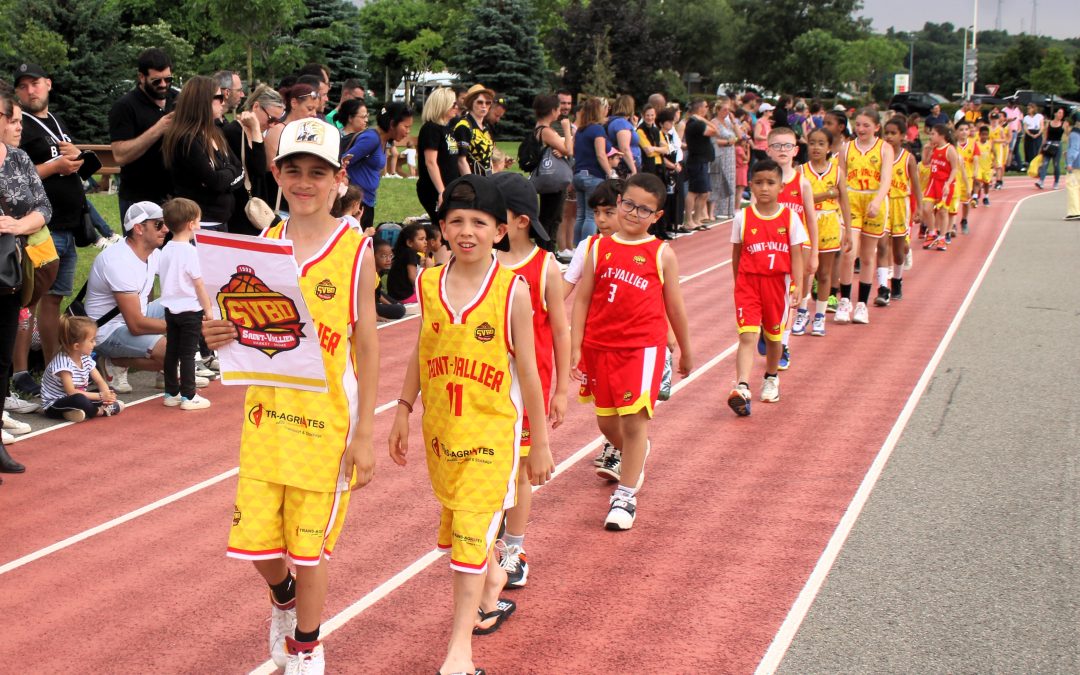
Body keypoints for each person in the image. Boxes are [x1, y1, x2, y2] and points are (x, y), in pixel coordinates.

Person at [202, 116, 378, 674]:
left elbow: (368, 346)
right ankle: (282, 596)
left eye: (317, 172)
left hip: (326, 423)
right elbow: (241, 327)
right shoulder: (262, 246)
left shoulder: (356, 250)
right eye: (294, 169)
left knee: (309, 548)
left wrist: (366, 434)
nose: (305, 182)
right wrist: (217, 331)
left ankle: (307, 645)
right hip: (266, 415)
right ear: (276, 173)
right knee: (257, 544)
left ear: (338, 178)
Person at [388, 174, 554, 675]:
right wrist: (402, 407)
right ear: (441, 228)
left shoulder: (512, 293)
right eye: (456, 221)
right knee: (461, 530)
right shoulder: (428, 284)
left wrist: (540, 442)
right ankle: (493, 581)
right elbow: (423, 347)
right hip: (441, 435)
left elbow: (528, 370)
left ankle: (458, 653)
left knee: (468, 539)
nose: (467, 231)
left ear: (499, 231)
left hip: (491, 437)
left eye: (479, 223)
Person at [570, 173, 692, 530]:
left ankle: (624, 496)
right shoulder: (596, 248)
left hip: (642, 349)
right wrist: (576, 343)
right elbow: (583, 298)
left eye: (644, 209)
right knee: (606, 420)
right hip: (599, 346)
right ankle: (634, 453)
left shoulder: (661, 254)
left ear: (656, 216)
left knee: (634, 420)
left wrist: (686, 349)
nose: (634, 213)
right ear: (619, 201)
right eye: (629, 204)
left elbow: (676, 307)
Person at [490, 172, 569, 589]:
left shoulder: (544, 267)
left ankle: (514, 548)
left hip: (526, 390)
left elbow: (560, 330)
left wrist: (560, 389)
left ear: (518, 221)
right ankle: (488, 542)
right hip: (484, 388)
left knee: (520, 471)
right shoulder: (480, 262)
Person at [13, 62, 86, 364]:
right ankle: (18, 372)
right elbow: (16, 174)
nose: (31, 90)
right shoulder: (20, 125)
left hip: (68, 226)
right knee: (29, 301)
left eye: (36, 83)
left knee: (54, 300)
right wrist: (55, 166)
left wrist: (77, 156)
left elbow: (67, 159)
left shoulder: (57, 120)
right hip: (42, 227)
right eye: (24, 86)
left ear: (49, 83)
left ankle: (52, 365)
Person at [727, 159, 807, 416]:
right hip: (749, 284)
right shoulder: (743, 217)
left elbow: (797, 255)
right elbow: (737, 255)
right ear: (750, 185)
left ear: (781, 187)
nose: (764, 188)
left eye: (770, 183)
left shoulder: (790, 218)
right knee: (747, 335)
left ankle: (771, 377)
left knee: (774, 338)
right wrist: (738, 283)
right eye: (759, 182)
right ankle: (742, 386)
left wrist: (797, 285)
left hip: (778, 285)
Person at [0, 91, 50, 478]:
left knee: (2, 355)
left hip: (10, 270)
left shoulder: (17, 159)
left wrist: (18, 225)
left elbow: (43, 207)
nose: (19, 126)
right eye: (13, 118)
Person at [86, 202, 175, 392]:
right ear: (138, 228)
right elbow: (136, 325)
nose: (166, 229)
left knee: (189, 304)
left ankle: (167, 371)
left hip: (135, 317)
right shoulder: (119, 262)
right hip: (107, 331)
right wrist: (185, 326)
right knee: (174, 350)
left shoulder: (152, 254)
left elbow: (181, 281)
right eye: (159, 224)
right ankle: (114, 361)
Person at [765, 126, 818, 368]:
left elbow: (811, 220)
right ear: (768, 150)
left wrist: (814, 253)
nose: (782, 150)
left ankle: (783, 345)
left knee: (788, 299)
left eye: (787, 146)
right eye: (777, 146)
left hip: (796, 250)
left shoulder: (803, 183)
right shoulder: (764, 183)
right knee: (768, 300)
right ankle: (768, 331)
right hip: (769, 249)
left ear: (796, 150)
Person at [835, 108, 894, 325]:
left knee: (868, 255)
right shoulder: (846, 148)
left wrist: (877, 201)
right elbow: (840, 178)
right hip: (852, 200)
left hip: (873, 201)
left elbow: (886, 178)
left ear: (877, 127)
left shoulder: (884, 149)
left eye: (866, 125)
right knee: (848, 252)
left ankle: (861, 305)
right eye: (858, 124)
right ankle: (844, 302)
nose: (861, 129)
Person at [163, 76, 245, 230]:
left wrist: (225, 176)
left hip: (221, 221)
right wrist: (229, 175)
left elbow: (240, 170)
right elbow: (215, 181)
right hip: (199, 224)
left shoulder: (215, 132)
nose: (223, 101)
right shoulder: (187, 139)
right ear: (203, 101)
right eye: (219, 97)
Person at [158, 198, 214, 410]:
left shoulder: (166, 249)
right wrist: (208, 308)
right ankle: (189, 396)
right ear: (191, 224)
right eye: (198, 221)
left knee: (172, 351)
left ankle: (171, 392)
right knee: (188, 353)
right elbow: (199, 284)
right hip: (190, 309)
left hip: (170, 309)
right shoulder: (190, 252)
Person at [109, 48, 175, 218]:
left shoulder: (177, 99)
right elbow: (120, 155)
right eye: (156, 81)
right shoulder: (125, 106)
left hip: (174, 197)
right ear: (141, 77)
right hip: (139, 200)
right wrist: (159, 128)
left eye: (168, 79)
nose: (163, 85)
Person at [800, 127, 849, 337]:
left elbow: (844, 201)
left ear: (829, 147)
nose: (816, 147)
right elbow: (802, 199)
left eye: (821, 143)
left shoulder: (837, 172)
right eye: (812, 143)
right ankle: (802, 312)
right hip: (806, 223)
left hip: (829, 222)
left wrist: (847, 228)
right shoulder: (800, 171)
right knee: (804, 272)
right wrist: (827, 193)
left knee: (824, 273)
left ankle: (819, 316)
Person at [224, 84, 284, 235]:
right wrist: (256, 129)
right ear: (256, 106)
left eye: (277, 121)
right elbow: (258, 169)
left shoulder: (259, 133)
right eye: (271, 119)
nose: (272, 125)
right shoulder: (233, 132)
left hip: (258, 210)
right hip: (241, 211)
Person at [39, 316, 124, 422]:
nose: (95, 344)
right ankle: (100, 411)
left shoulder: (85, 358)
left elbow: (99, 380)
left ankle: (73, 413)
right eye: (91, 341)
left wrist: (107, 396)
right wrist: (101, 396)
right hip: (54, 404)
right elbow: (71, 392)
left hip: (76, 398)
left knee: (102, 391)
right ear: (76, 346)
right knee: (80, 399)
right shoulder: (63, 363)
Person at [343, 102, 412, 230]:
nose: (408, 132)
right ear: (392, 124)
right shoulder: (371, 138)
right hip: (356, 205)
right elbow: (343, 161)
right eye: (406, 126)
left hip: (367, 202)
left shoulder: (383, 140)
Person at [881, 116, 921, 303]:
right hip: (883, 203)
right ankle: (883, 287)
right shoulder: (879, 155)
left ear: (902, 136)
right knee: (881, 246)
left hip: (900, 204)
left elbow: (916, 184)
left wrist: (919, 207)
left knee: (899, 250)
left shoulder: (908, 158)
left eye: (893, 133)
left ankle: (897, 280)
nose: (889, 137)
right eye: (886, 133)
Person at [265, 83, 319, 215]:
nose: (314, 114)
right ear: (294, 103)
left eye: (316, 110)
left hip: (299, 204)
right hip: (279, 205)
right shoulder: (279, 130)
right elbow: (271, 168)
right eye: (310, 109)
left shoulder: (306, 133)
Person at [531, 94, 574, 245]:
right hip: (553, 181)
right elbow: (569, 150)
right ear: (552, 110)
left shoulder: (539, 128)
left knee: (551, 216)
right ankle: (547, 250)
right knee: (552, 217)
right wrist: (567, 130)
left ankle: (548, 250)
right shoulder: (546, 131)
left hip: (549, 179)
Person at [572, 97, 614, 244]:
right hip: (593, 175)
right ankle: (586, 248)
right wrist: (611, 173)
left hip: (578, 175)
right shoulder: (597, 129)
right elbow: (601, 154)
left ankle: (577, 248)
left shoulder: (580, 131)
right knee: (591, 215)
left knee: (581, 215)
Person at [416, 88, 461, 224]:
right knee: (443, 226)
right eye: (453, 104)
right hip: (434, 189)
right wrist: (442, 191)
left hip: (451, 187)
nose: (457, 107)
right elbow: (430, 162)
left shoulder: (447, 129)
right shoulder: (431, 129)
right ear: (443, 105)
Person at [921, 124, 960, 253]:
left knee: (943, 211)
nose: (930, 136)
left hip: (944, 183)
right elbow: (925, 162)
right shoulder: (934, 148)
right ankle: (932, 232)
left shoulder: (950, 149)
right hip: (933, 182)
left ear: (941, 135)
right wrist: (927, 150)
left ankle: (942, 237)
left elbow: (955, 168)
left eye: (933, 134)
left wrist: (948, 183)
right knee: (926, 208)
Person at [683, 99, 719, 230]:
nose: (707, 109)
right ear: (699, 108)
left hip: (703, 160)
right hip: (697, 160)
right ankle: (689, 220)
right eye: (705, 106)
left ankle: (697, 219)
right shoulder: (695, 124)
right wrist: (703, 119)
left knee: (705, 192)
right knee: (694, 191)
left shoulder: (698, 122)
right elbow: (715, 131)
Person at [454, 84, 496, 176]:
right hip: (471, 181)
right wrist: (472, 182)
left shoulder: (487, 127)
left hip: (487, 179)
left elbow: (489, 158)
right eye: (480, 102)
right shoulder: (464, 126)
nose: (484, 106)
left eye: (488, 103)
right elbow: (461, 160)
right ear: (471, 103)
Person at [709, 97, 738, 220]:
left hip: (730, 156)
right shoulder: (714, 122)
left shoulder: (728, 123)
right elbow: (713, 140)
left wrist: (734, 121)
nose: (727, 112)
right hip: (720, 154)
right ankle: (715, 210)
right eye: (725, 110)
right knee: (719, 181)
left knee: (731, 181)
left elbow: (740, 135)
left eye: (728, 110)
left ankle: (728, 210)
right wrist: (727, 142)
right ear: (718, 110)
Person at [385, 223, 429, 303]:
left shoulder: (404, 253)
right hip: (404, 296)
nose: (425, 242)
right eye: (421, 239)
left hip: (395, 295)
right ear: (409, 243)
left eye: (425, 239)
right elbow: (412, 278)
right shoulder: (410, 253)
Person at [372, 239, 406, 320]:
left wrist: (390, 305)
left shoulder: (380, 271)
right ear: (372, 256)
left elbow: (377, 293)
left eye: (390, 256)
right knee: (400, 310)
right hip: (365, 304)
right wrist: (375, 316)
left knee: (399, 305)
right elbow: (367, 298)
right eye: (384, 256)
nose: (388, 260)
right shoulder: (370, 273)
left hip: (373, 297)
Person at [606, 95, 639, 177]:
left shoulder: (617, 121)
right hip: (625, 167)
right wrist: (634, 169)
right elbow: (624, 148)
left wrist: (634, 126)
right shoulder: (621, 123)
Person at [953, 120, 976, 234]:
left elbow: (976, 158)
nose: (964, 132)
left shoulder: (972, 143)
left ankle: (964, 220)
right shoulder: (952, 145)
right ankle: (952, 224)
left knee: (966, 202)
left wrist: (976, 171)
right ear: (956, 132)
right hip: (955, 178)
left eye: (966, 129)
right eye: (961, 130)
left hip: (968, 178)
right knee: (954, 201)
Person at [1036, 107, 1067, 190]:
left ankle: (1056, 182)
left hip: (1057, 145)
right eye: (1059, 112)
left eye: (1062, 113)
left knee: (1056, 165)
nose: (1061, 115)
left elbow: (1067, 135)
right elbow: (1045, 136)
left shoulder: (1064, 124)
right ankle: (1041, 181)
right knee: (1045, 163)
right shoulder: (1049, 123)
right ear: (1055, 113)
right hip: (1048, 144)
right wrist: (1041, 147)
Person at [973, 124, 994, 206]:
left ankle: (986, 197)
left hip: (987, 167)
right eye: (983, 134)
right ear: (979, 135)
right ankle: (975, 197)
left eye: (986, 134)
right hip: (978, 166)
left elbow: (994, 152)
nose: (984, 136)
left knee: (986, 183)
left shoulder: (990, 144)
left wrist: (994, 162)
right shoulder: (976, 144)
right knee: (977, 182)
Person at [1066, 111, 1080, 221]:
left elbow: (1074, 149)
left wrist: (1069, 162)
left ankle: (1074, 211)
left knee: (1072, 186)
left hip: (1076, 164)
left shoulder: (1075, 133)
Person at [1022, 103, 1044, 172]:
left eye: (1030, 108)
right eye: (1028, 108)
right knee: (1029, 150)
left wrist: (1038, 133)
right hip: (1029, 134)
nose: (1028, 110)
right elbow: (1025, 127)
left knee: (1037, 150)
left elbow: (1042, 126)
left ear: (1034, 109)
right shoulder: (1026, 117)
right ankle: (1029, 165)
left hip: (1037, 133)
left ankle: (1038, 166)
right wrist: (1030, 134)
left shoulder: (1039, 116)